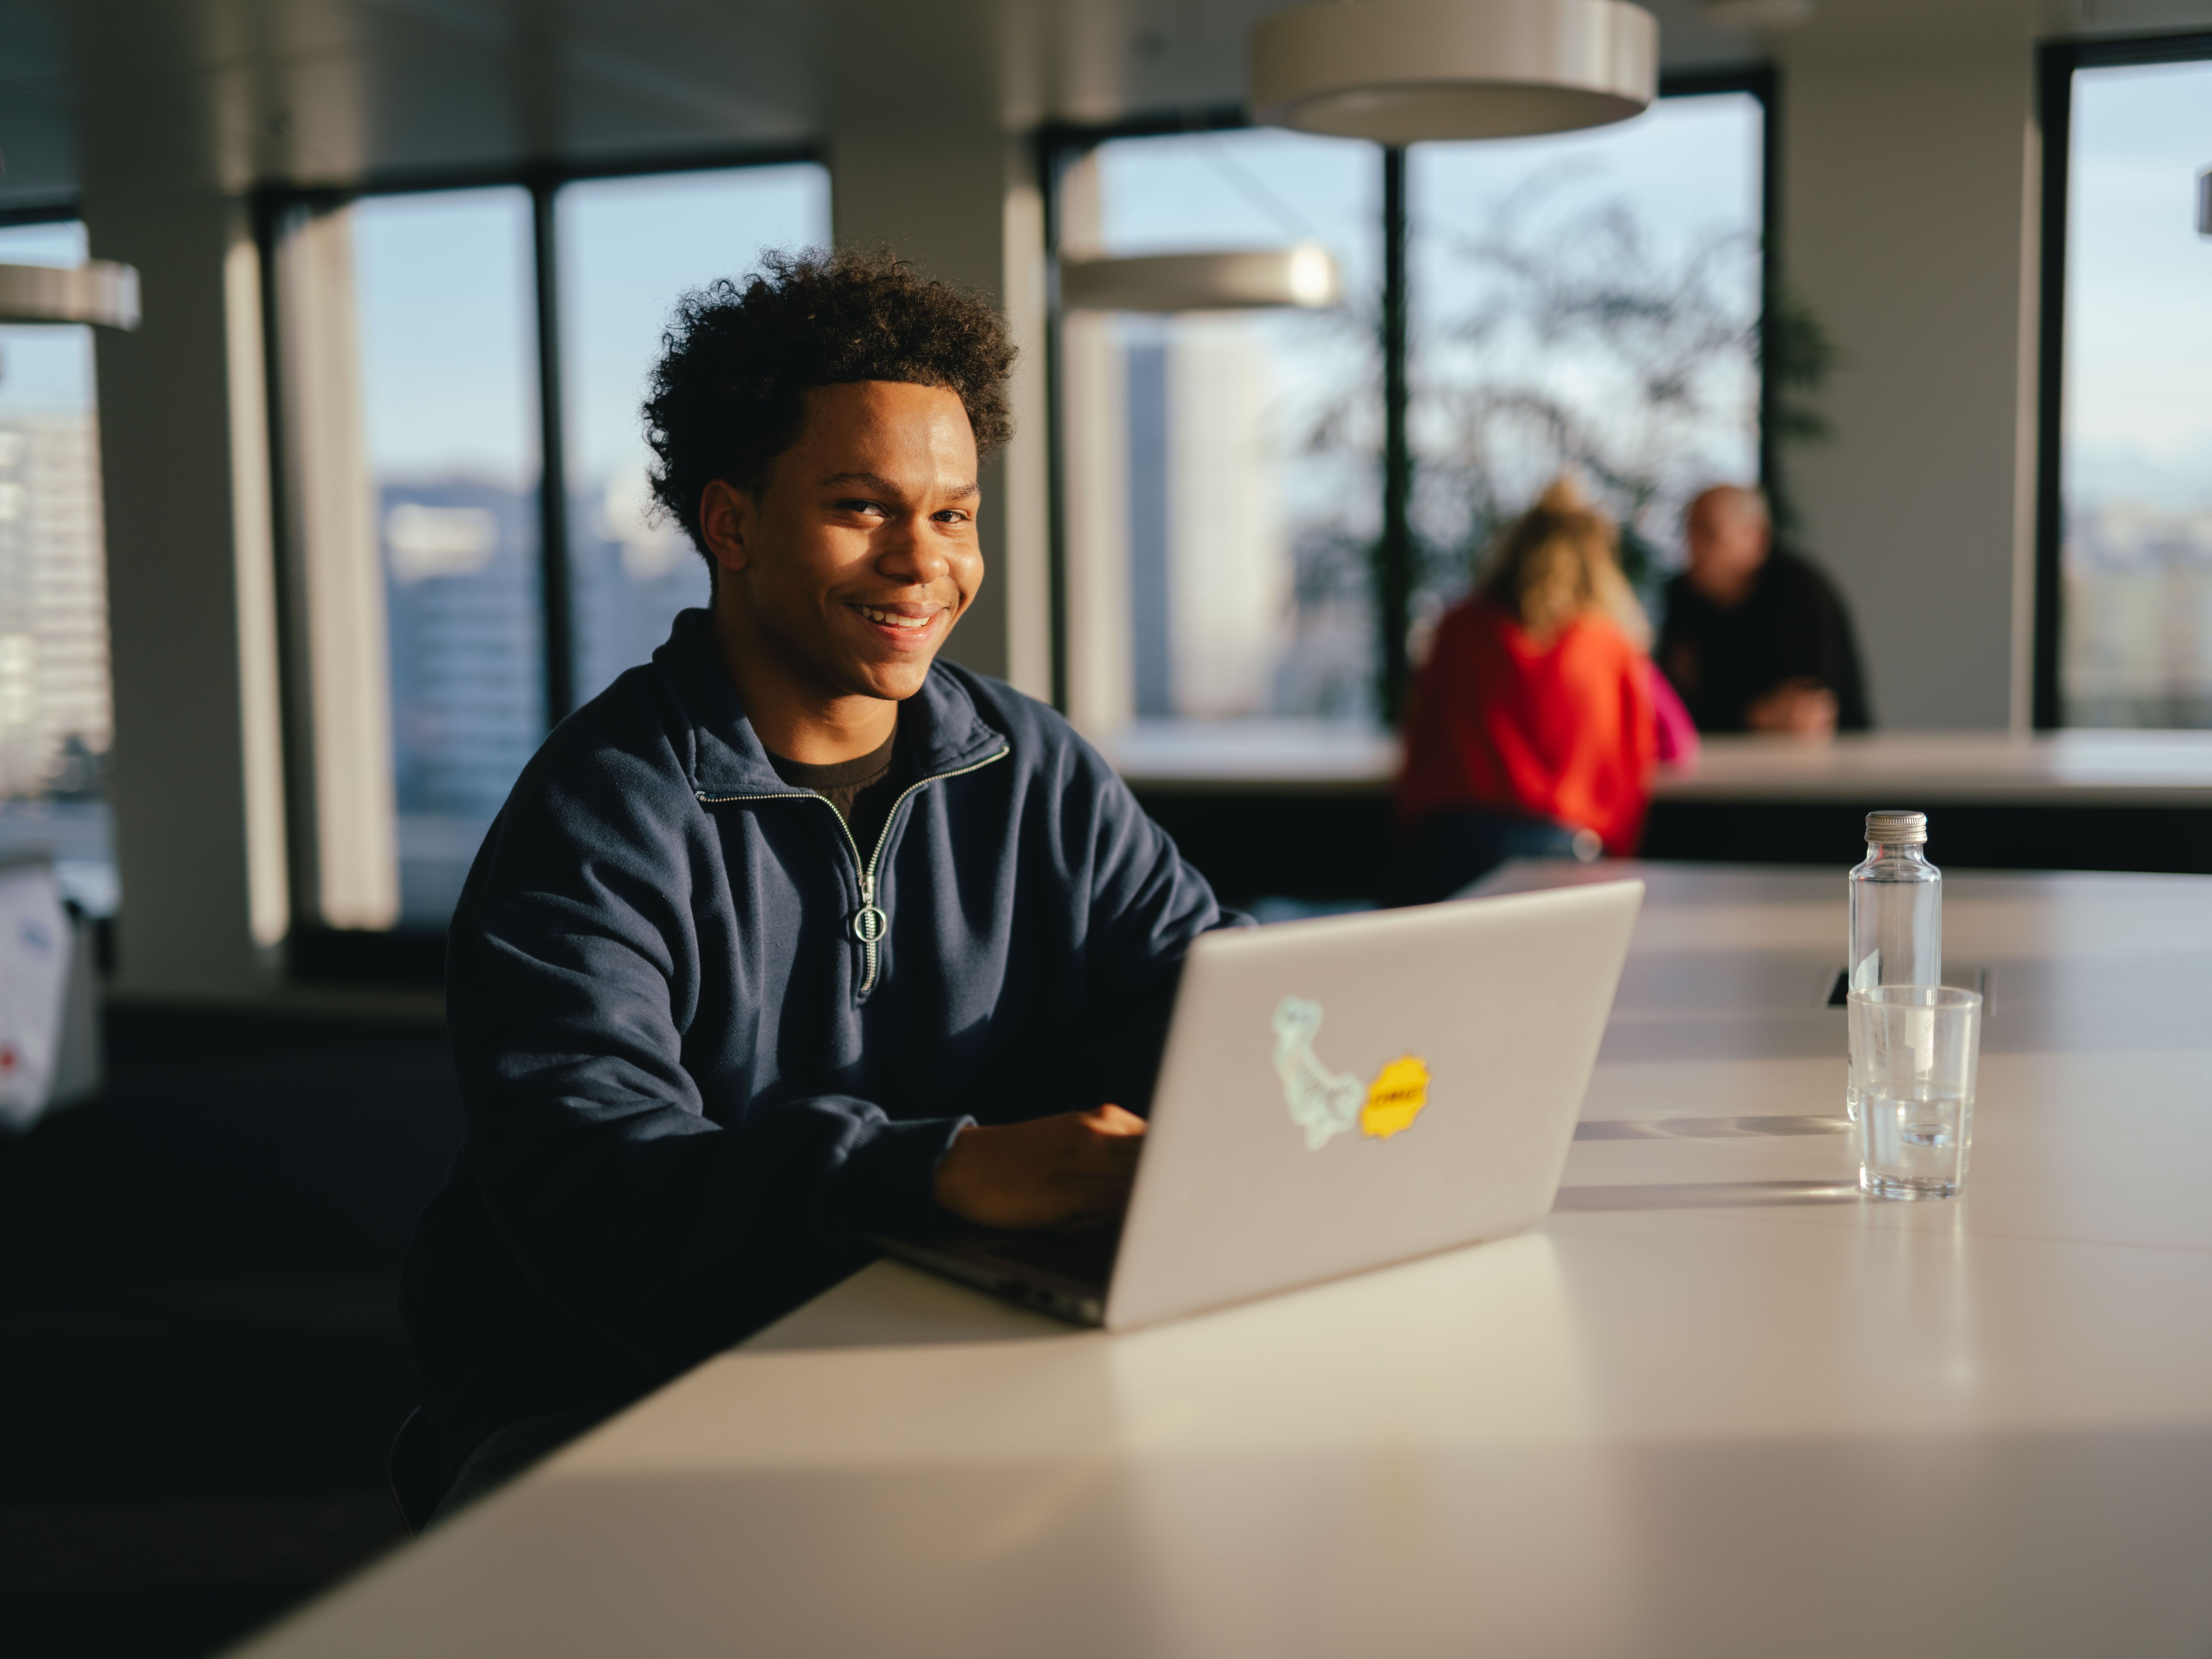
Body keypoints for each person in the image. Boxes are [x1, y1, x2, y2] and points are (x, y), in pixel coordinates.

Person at [400, 250, 1240, 1519]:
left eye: (953, 514)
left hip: (950, 1309)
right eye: (864, 507)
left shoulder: (1035, 767)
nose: (922, 561)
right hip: (615, 1369)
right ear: (730, 523)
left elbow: (1200, 1000)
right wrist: (937, 1170)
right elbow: (592, 1182)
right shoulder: (602, 808)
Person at [1392, 480, 1660, 905]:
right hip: (1565, 850)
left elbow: (1420, 739)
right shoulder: (1610, 645)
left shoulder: (1458, 629)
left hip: (1449, 847)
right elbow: (1632, 765)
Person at [1657, 485, 1872, 737]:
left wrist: (1721, 708)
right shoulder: (1683, 595)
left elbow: (1808, 714)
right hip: (1717, 763)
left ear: (1757, 538)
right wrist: (1755, 714)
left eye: (1709, 533)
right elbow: (1670, 709)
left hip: (1835, 762)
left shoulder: (1800, 591)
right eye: (1688, 533)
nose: (1693, 548)